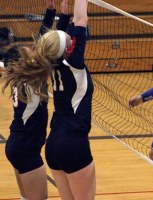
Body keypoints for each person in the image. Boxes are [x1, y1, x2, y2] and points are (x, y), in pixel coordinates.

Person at [0, 0, 66, 199]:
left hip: (18, 145)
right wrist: (61, 18)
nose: (31, 47)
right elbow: (49, 47)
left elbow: (43, 43)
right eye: (27, 50)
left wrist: (50, 11)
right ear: (26, 62)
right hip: (26, 149)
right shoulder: (33, 78)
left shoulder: (24, 74)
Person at [44, 0, 96, 199]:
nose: (69, 33)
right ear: (68, 48)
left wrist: (64, 14)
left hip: (54, 144)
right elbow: (82, 18)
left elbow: (56, 39)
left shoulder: (52, 60)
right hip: (74, 145)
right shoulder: (74, 62)